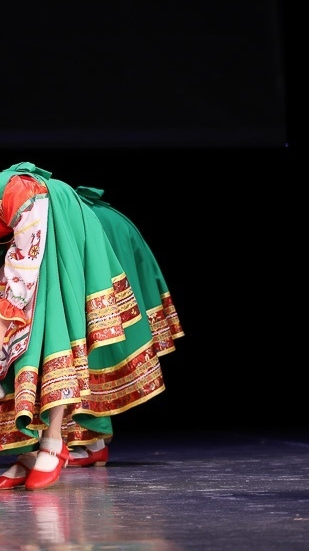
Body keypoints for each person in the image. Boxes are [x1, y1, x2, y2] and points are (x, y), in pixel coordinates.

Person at [0, 162, 172, 490]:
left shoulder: (20, 194)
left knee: (47, 327)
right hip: (25, 251)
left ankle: (53, 443)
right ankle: (35, 450)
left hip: (61, 226)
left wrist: (0, 327)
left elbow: (24, 265)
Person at [69, 185, 184, 466]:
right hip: (123, 282)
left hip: (101, 288)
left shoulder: (78, 220)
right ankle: (90, 442)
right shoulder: (109, 216)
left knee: (84, 355)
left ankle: (90, 441)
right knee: (93, 356)